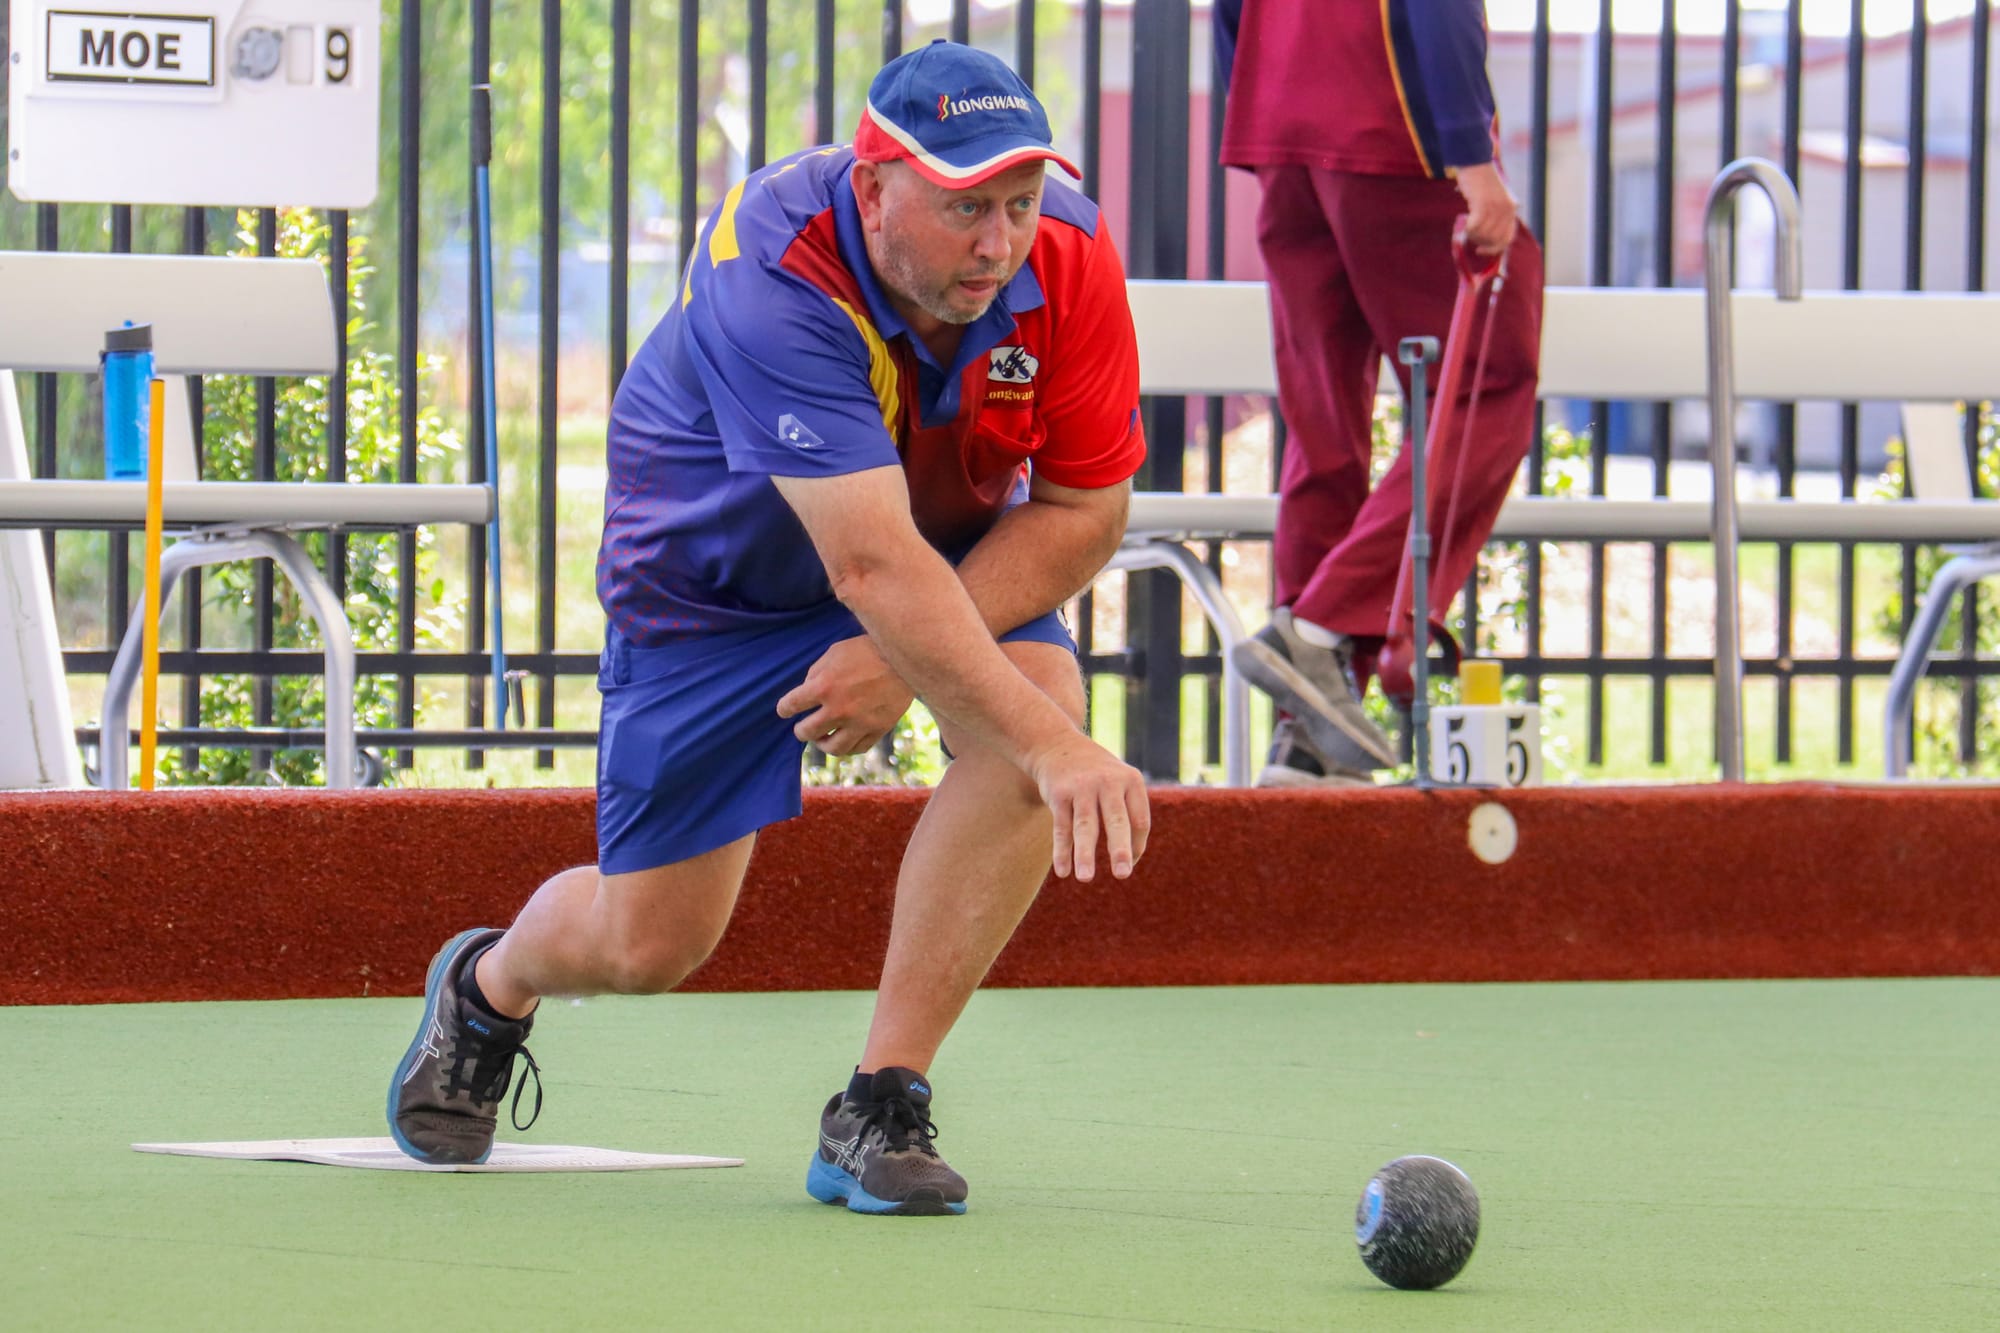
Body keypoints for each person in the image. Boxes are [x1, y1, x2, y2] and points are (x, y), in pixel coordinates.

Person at [388, 40, 1151, 1217]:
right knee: (648, 947)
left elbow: (1086, 509)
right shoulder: (773, 260)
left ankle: (878, 1101)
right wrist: (992, 709)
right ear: (874, 187)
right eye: (963, 208)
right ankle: (490, 985)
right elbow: (866, 561)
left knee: (1033, 709)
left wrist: (976, 698)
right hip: (718, 581)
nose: (997, 242)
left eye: (1016, 203)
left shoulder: (1070, 252)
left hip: (927, 544)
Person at [1213, 0, 1545, 786]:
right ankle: (1317, 630)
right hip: (1389, 123)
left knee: (1323, 427)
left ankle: (1308, 738)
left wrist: (1259, 110)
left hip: (1281, 132)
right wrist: (1471, 157)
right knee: (1487, 385)